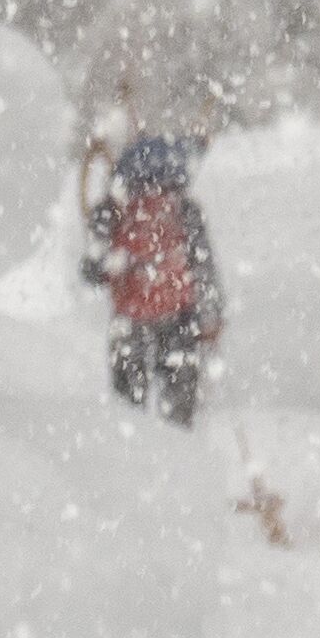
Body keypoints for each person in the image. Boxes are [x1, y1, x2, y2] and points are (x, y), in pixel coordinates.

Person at [84, 129, 225, 425]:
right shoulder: (185, 210)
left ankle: (132, 460)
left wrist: (116, 265)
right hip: (180, 321)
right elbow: (204, 269)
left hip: (129, 323)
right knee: (179, 416)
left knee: (127, 416)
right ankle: (179, 460)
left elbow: (92, 269)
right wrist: (211, 318)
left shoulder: (111, 212)